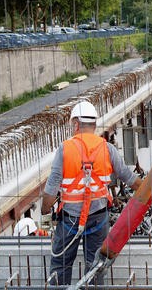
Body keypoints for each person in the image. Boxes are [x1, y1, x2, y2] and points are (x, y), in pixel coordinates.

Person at [41, 101, 143, 286]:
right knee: (95, 265)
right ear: (94, 125)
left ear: (76, 124)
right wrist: (148, 192)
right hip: (98, 217)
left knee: (61, 264)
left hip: (70, 219)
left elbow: (52, 186)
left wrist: (45, 210)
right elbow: (128, 177)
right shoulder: (107, 149)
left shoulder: (65, 149)